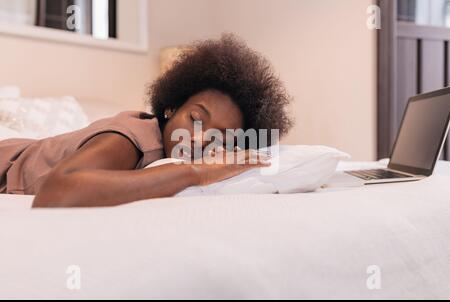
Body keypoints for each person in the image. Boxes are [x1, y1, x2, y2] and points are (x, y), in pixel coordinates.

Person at [0, 34, 293, 208]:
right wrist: (195, 172)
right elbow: (56, 193)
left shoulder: (165, 155)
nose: (201, 139)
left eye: (221, 138)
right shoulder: (131, 136)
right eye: (195, 119)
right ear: (170, 108)